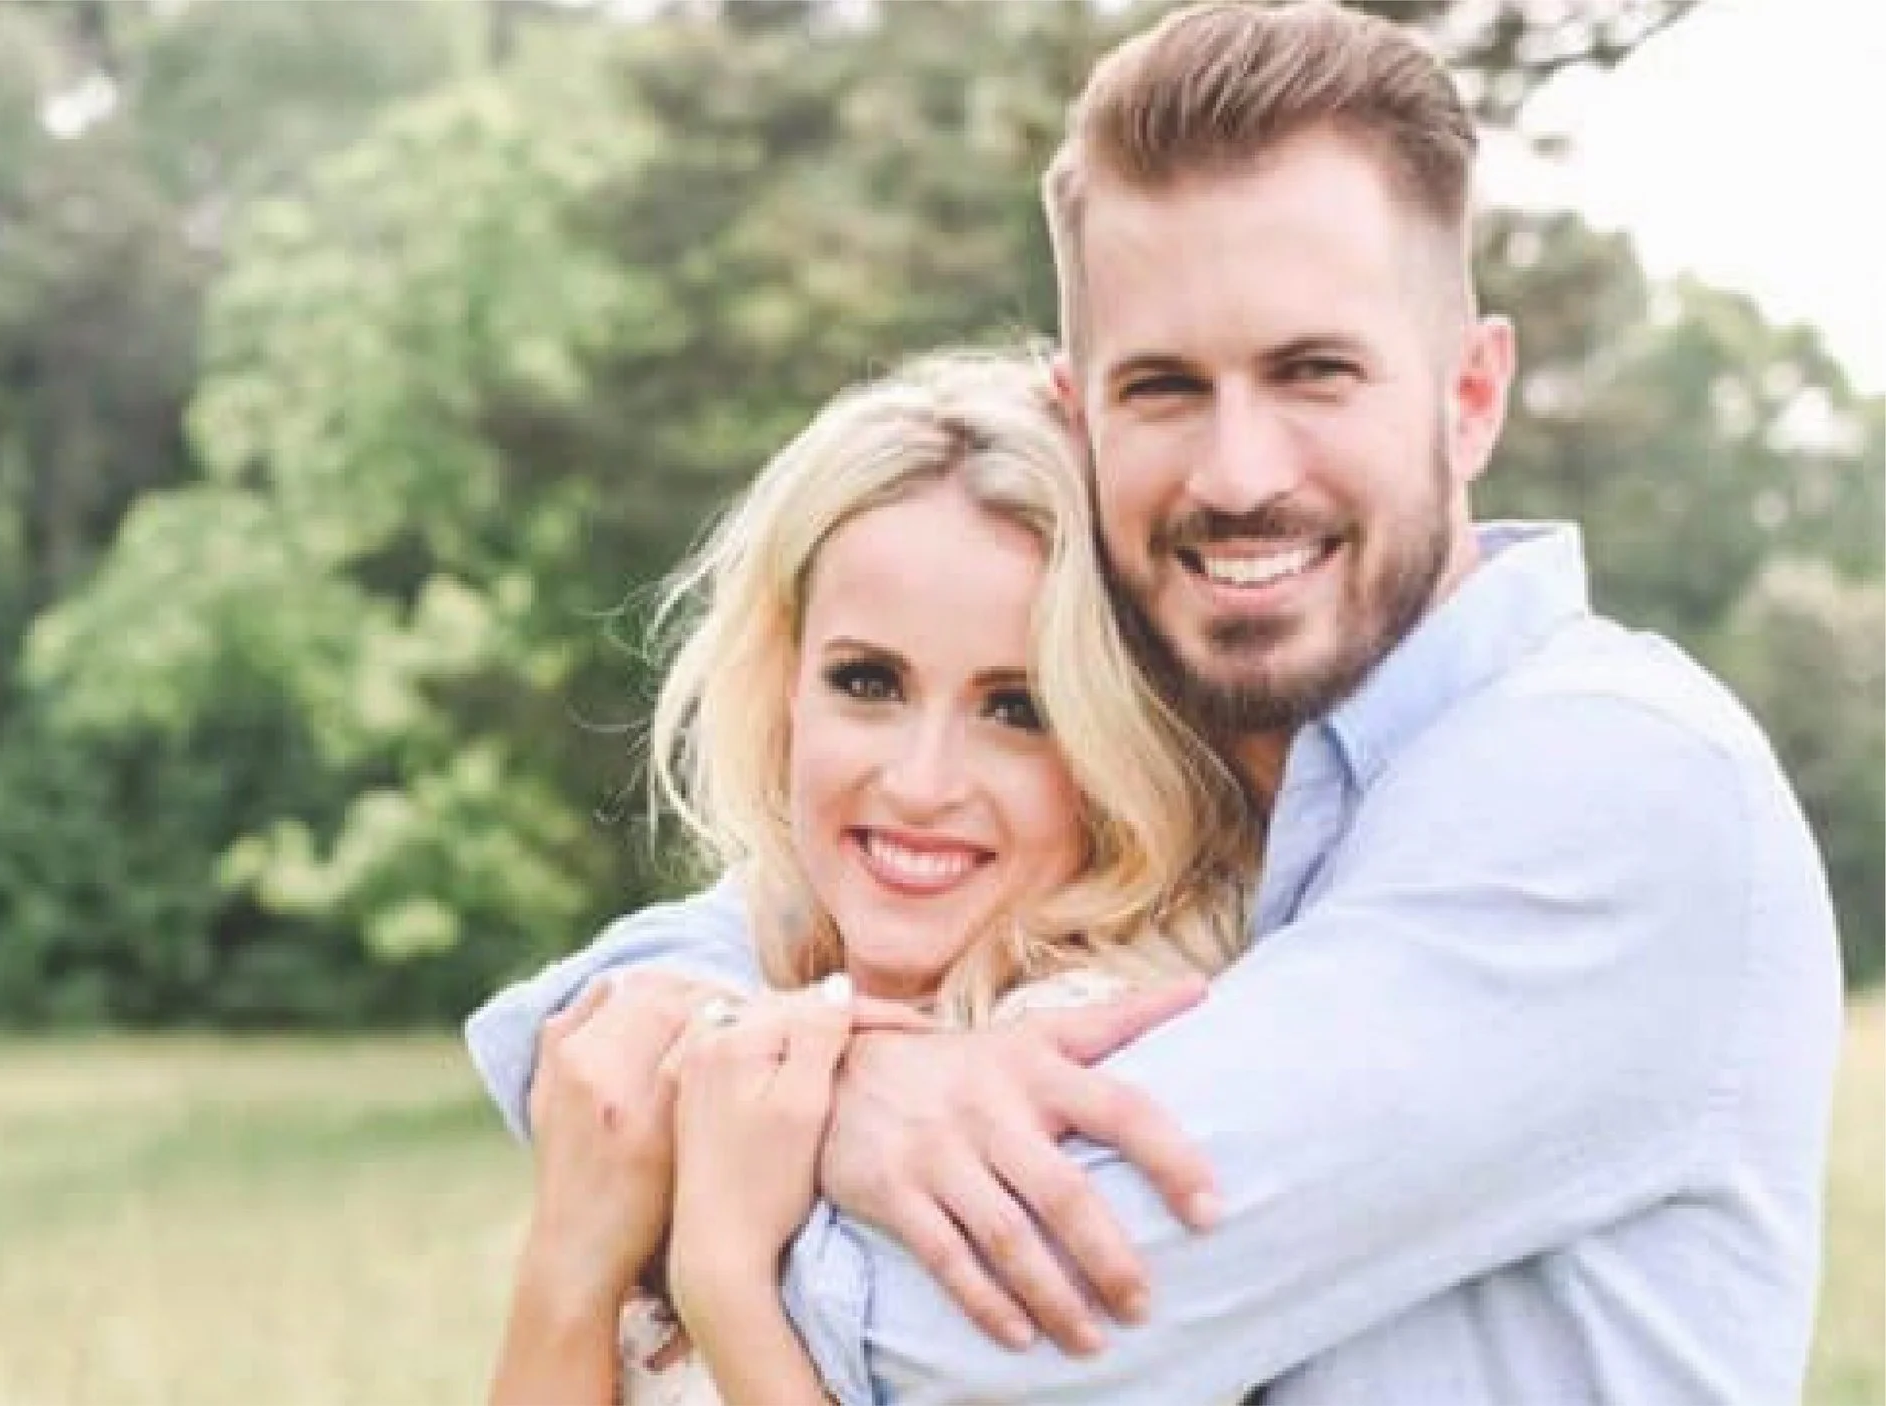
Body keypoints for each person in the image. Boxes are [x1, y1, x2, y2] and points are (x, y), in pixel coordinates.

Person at [468, 3, 1844, 1404]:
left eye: (1314, 372)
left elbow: (961, 1315)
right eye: (1165, 387)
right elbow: (591, 1023)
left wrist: (767, 1118)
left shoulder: (1606, 787)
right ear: (1084, 419)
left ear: (1471, 395)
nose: (1240, 472)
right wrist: (836, 1069)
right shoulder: (1221, 787)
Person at [487, 349, 1260, 1405]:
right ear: (785, 684)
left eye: (1017, 707)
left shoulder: (1087, 1095)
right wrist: (570, 1260)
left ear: (1119, 736)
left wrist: (723, 1276)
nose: (920, 782)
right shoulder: (733, 997)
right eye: (867, 682)